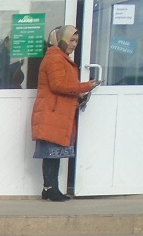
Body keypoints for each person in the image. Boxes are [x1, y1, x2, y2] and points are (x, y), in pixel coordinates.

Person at [31, 24, 100, 202]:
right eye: (71, 40)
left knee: (55, 154)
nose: (74, 44)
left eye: (76, 41)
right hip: (52, 112)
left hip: (57, 112)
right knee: (51, 154)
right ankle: (50, 189)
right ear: (61, 39)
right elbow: (58, 85)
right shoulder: (55, 58)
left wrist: (79, 93)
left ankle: (51, 188)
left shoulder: (60, 57)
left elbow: (63, 85)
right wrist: (85, 86)